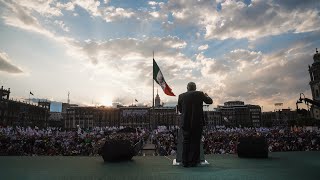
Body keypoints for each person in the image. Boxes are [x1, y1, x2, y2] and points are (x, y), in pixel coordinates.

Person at [177, 82, 213, 167]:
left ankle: (185, 162)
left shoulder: (181, 96)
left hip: (186, 123)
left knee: (186, 142)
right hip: (197, 123)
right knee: (196, 142)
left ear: (187, 88)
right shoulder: (200, 94)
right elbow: (210, 101)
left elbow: (180, 110)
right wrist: (206, 95)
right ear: (195, 88)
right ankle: (193, 162)